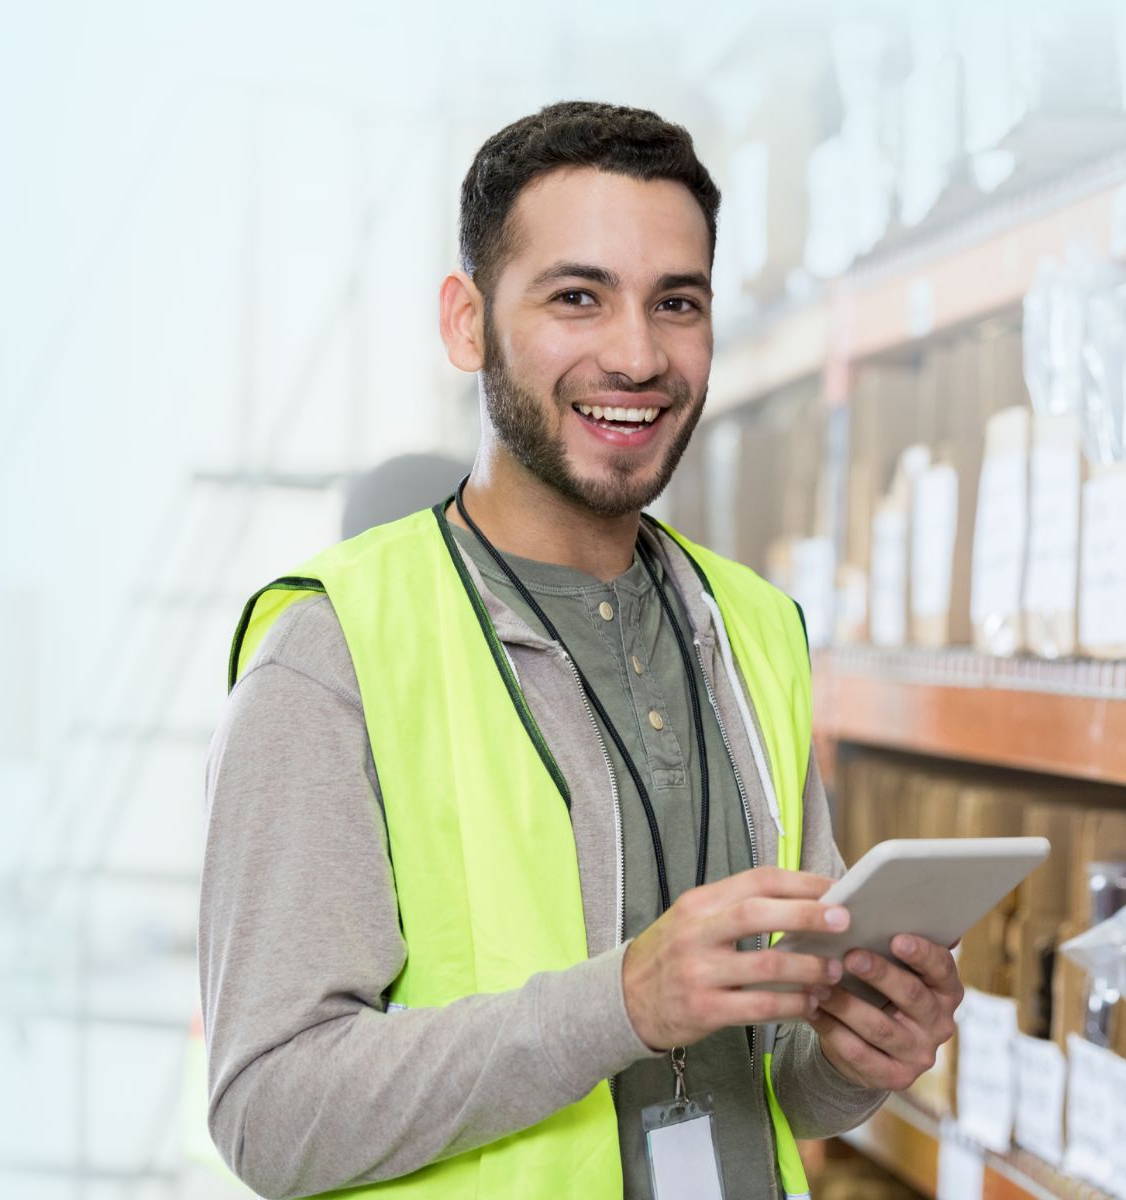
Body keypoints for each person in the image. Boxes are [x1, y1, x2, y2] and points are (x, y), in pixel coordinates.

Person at [200, 100, 963, 1200]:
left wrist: (849, 1062)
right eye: (576, 297)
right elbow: (272, 1113)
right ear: (467, 323)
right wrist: (618, 1006)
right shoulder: (335, 654)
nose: (637, 355)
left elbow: (766, 1086)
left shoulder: (753, 629)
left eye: (677, 303)